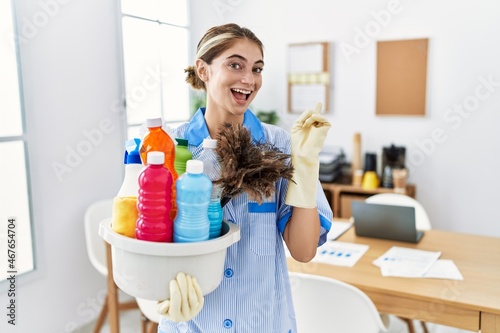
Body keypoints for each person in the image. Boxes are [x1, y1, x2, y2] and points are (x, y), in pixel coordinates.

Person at [157, 23, 333, 333]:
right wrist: (154, 292)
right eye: (235, 64)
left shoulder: (278, 145)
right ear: (203, 69)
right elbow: (148, 242)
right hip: (192, 324)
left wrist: (305, 166)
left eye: (257, 68)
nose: (248, 79)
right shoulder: (170, 149)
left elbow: (304, 251)